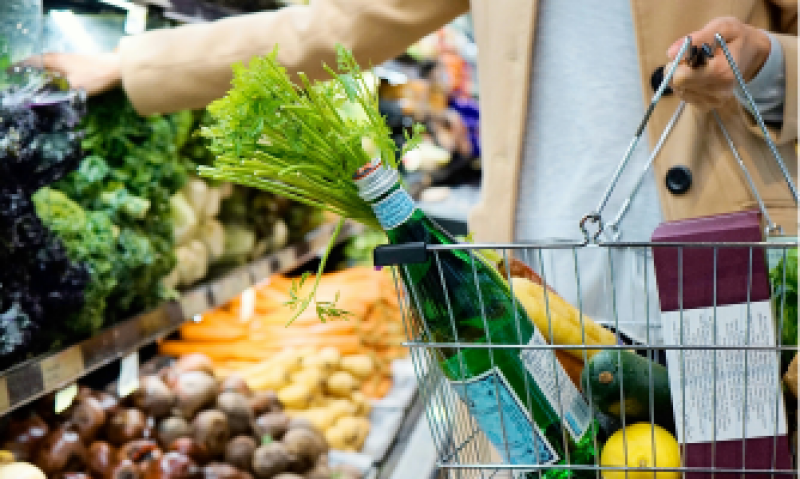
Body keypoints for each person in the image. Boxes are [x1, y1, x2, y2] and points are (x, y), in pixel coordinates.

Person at [42, 0, 800, 339]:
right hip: (537, 285)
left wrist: (765, 71)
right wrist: (134, 64)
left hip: (728, 279)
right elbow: (332, 27)